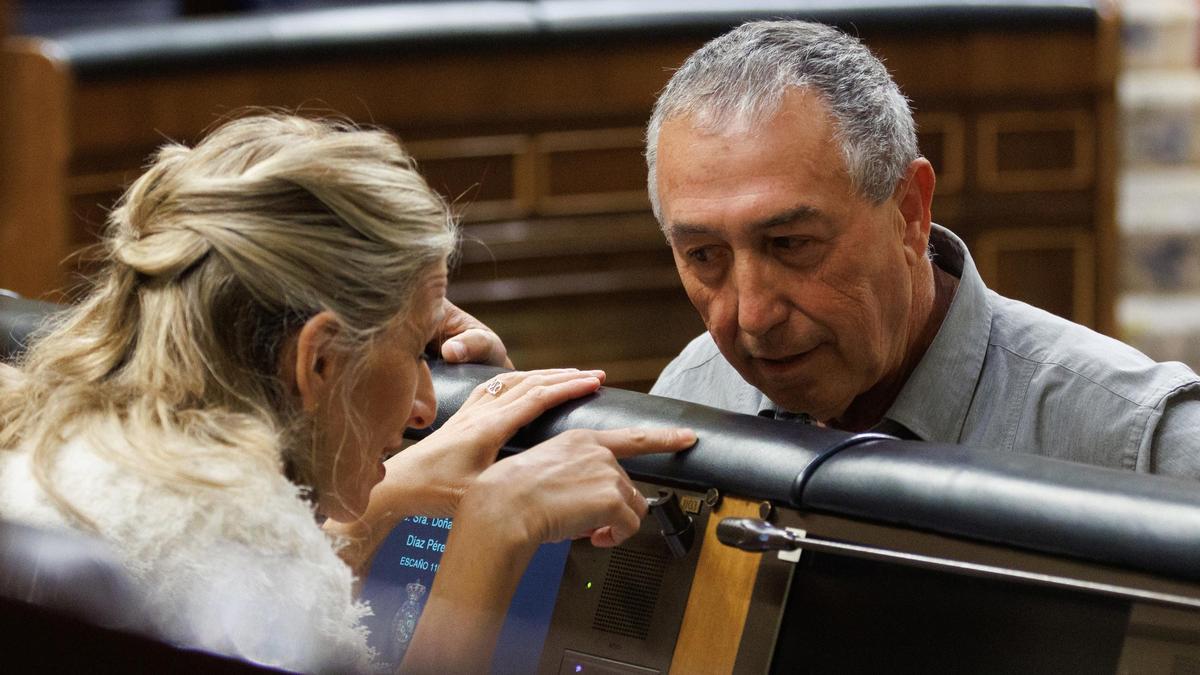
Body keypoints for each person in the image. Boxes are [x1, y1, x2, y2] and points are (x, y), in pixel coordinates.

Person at [0, 114, 696, 673]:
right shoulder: (232, 553)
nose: (427, 407)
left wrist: (381, 499)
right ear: (320, 360)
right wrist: (493, 529)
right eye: (415, 348)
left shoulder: (65, 445)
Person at [640, 20, 1200, 477]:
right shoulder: (689, 400)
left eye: (790, 244)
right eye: (705, 256)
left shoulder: (1140, 444)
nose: (754, 315)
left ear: (909, 212)